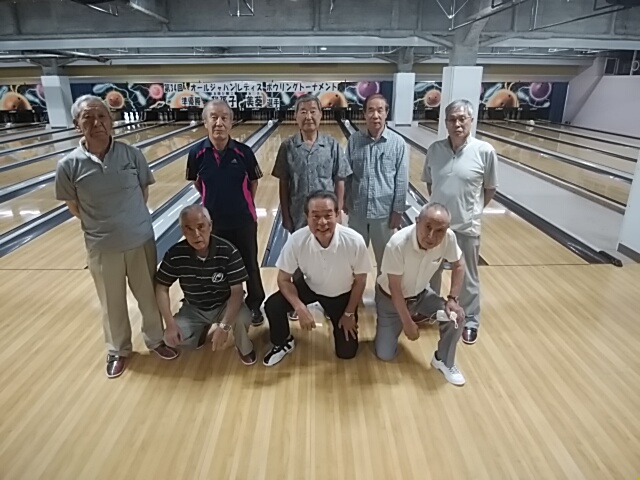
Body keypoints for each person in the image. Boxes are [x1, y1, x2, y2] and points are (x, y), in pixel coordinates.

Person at [54, 94, 178, 379]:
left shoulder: (131, 154)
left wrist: (129, 221)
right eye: (88, 117)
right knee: (112, 303)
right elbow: (73, 206)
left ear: (111, 121)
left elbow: (143, 191)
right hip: (102, 246)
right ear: (76, 124)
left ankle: (155, 340)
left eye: (102, 116)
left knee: (148, 297)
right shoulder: (68, 165)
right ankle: (118, 350)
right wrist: (103, 226)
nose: (96, 122)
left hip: (140, 240)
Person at [262, 190, 371, 367]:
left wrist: (349, 313)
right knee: (273, 305)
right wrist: (299, 306)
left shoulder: (354, 241)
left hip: (341, 295)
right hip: (311, 286)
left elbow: (360, 280)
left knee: (347, 352)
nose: (322, 222)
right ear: (307, 217)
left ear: (337, 214)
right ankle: (283, 342)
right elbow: (283, 279)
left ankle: (338, 322)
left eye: (328, 215)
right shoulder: (297, 240)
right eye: (315, 216)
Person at [421, 99, 498, 345]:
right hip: (436, 227)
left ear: (471, 121)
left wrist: (471, 211)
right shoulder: (434, 150)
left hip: (467, 227)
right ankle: (431, 310)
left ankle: (470, 319)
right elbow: (430, 183)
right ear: (445, 122)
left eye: (462, 118)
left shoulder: (485, 151)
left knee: (468, 278)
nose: (457, 124)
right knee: (430, 271)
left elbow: (490, 189)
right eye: (452, 119)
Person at [186, 99, 266, 327]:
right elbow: (197, 183)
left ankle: (254, 304)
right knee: (218, 266)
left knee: (250, 264)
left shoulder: (244, 152)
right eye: (213, 117)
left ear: (231, 123)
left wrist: (243, 204)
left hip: (243, 220)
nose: (219, 123)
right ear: (205, 122)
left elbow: (253, 182)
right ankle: (224, 305)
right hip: (213, 223)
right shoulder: (196, 153)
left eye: (224, 118)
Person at [374, 203, 467, 386]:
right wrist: (407, 323)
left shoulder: (448, 238)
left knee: (456, 317)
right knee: (385, 354)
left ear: (446, 229)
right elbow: (394, 288)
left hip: (421, 296)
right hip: (390, 300)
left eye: (439, 231)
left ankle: (443, 360)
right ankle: (390, 328)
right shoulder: (398, 244)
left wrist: (453, 299)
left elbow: (459, 264)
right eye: (428, 227)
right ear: (417, 221)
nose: (431, 236)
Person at [154, 205, 257, 365]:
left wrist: (224, 327)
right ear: (182, 231)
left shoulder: (228, 251)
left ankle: (244, 348)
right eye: (189, 229)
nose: (196, 234)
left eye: (201, 227)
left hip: (224, 305)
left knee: (243, 318)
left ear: (210, 226)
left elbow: (237, 292)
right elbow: (161, 287)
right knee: (171, 340)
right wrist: (170, 324)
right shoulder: (175, 254)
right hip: (194, 308)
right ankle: (202, 328)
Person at [344, 93, 409, 275]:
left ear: (386, 113)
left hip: (384, 213)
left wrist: (398, 210)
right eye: (371, 110)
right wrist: (344, 201)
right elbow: (346, 173)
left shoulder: (398, 143)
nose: (375, 115)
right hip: (357, 211)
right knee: (353, 260)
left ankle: (383, 292)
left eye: (380, 110)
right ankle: (354, 292)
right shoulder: (354, 140)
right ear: (364, 114)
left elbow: (401, 179)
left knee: (386, 262)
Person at [272, 93, 352, 232]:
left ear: (321, 114)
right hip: (298, 214)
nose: (308, 117)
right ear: (295, 116)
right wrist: (285, 215)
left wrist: (338, 212)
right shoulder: (287, 147)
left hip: (327, 214)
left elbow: (340, 180)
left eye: (313, 111)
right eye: (303, 112)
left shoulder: (332, 145)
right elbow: (283, 183)